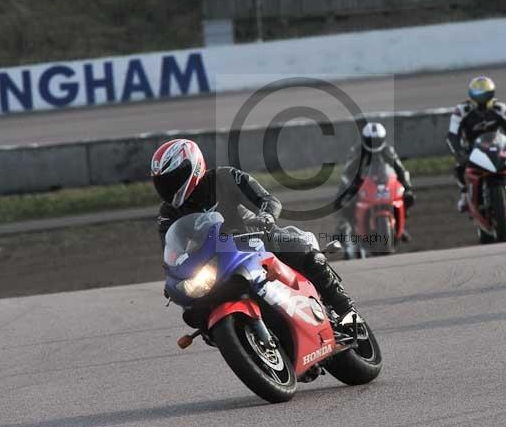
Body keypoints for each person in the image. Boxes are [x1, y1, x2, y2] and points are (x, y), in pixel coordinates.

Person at [151, 138, 355, 328]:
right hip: (215, 261)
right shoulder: (168, 213)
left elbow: (268, 200)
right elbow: (171, 253)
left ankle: (346, 309)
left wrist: (266, 217)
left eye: (174, 179)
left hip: (256, 238)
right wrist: (173, 277)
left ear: (193, 168)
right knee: (194, 308)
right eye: (163, 183)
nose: (168, 188)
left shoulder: (225, 177)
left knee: (305, 253)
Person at [446, 76, 506, 213]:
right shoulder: (461, 111)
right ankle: (465, 194)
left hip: (497, 146)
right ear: (471, 95)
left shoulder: (501, 109)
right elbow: (452, 136)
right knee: (459, 167)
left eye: (485, 94)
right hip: (472, 149)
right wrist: (459, 153)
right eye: (478, 94)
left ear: (492, 94)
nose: (482, 98)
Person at [333, 122, 415, 246]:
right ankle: (343, 228)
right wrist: (349, 187)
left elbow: (400, 170)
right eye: (371, 140)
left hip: (381, 182)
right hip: (359, 183)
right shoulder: (357, 151)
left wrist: (407, 186)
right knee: (342, 202)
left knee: (408, 198)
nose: (374, 143)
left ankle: (401, 226)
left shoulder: (388, 150)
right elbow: (348, 172)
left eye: (377, 140)